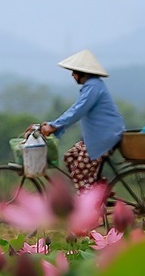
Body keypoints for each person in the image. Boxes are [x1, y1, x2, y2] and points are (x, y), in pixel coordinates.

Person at [40, 50, 125, 192]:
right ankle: (100, 190)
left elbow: (78, 110)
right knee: (70, 157)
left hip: (103, 137)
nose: (72, 75)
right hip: (98, 136)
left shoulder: (93, 86)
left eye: (74, 72)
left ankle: (90, 205)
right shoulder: (93, 86)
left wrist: (54, 126)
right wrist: (53, 124)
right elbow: (75, 109)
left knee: (79, 173)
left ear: (83, 73)